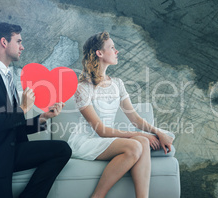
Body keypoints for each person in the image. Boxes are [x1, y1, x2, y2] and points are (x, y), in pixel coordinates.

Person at [0, 22, 71, 198]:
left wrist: (42, 118)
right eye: (18, 41)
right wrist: (24, 107)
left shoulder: (6, 76)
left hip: (7, 151)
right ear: (4, 42)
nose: (22, 47)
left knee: (62, 150)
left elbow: (10, 125)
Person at [67, 32, 175, 198]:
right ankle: (97, 196)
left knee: (142, 142)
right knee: (135, 144)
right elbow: (101, 130)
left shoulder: (117, 83)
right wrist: (140, 134)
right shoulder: (83, 88)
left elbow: (136, 119)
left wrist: (159, 133)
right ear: (99, 53)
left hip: (106, 139)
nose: (117, 51)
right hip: (87, 141)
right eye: (112, 47)